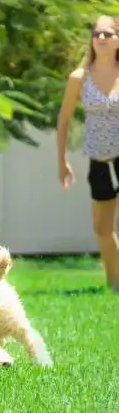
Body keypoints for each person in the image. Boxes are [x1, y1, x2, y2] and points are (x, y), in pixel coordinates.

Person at [57, 15, 119, 290]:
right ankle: (114, 282)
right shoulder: (79, 78)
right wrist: (62, 161)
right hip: (99, 160)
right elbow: (64, 120)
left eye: (108, 34)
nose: (101, 38)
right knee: (102, 230)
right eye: (97, 34)